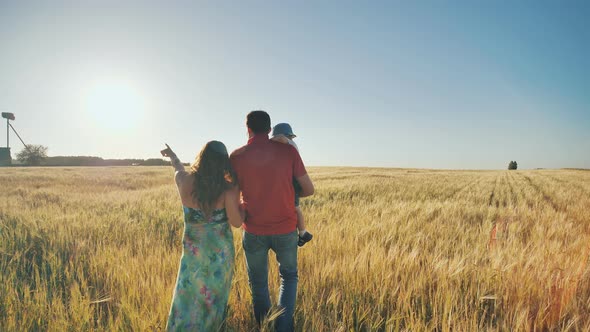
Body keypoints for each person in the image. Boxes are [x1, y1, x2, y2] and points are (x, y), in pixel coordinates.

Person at [230, 110, 315, 331]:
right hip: (286, 229)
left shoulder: (237, 156)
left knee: (258, 283)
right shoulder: (288, 152)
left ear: (247, 128)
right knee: (288, 277)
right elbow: (308, 189)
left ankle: (264, 326)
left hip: (254, 231)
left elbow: (232, 195)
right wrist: (286, 196)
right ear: (270, 129)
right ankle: (283, 328)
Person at [161, 141, 243, 332]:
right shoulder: (228, 190)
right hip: (219, 256)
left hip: (192, 252)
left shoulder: (183, 180)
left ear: (202, 157)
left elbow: (178, 168)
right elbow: (237, 222)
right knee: (213, 296)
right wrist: (243, 210)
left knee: (188, 292)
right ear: (223, 162)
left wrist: (173, 156)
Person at [270, 123, 313, 247]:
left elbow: (281, 139)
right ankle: (302, 231)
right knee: (294, 206)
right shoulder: (288, 145)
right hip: (290, 178)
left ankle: (303, 232)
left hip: (292, 180)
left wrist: (270, 140)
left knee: (295, 206)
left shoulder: (289, 144)